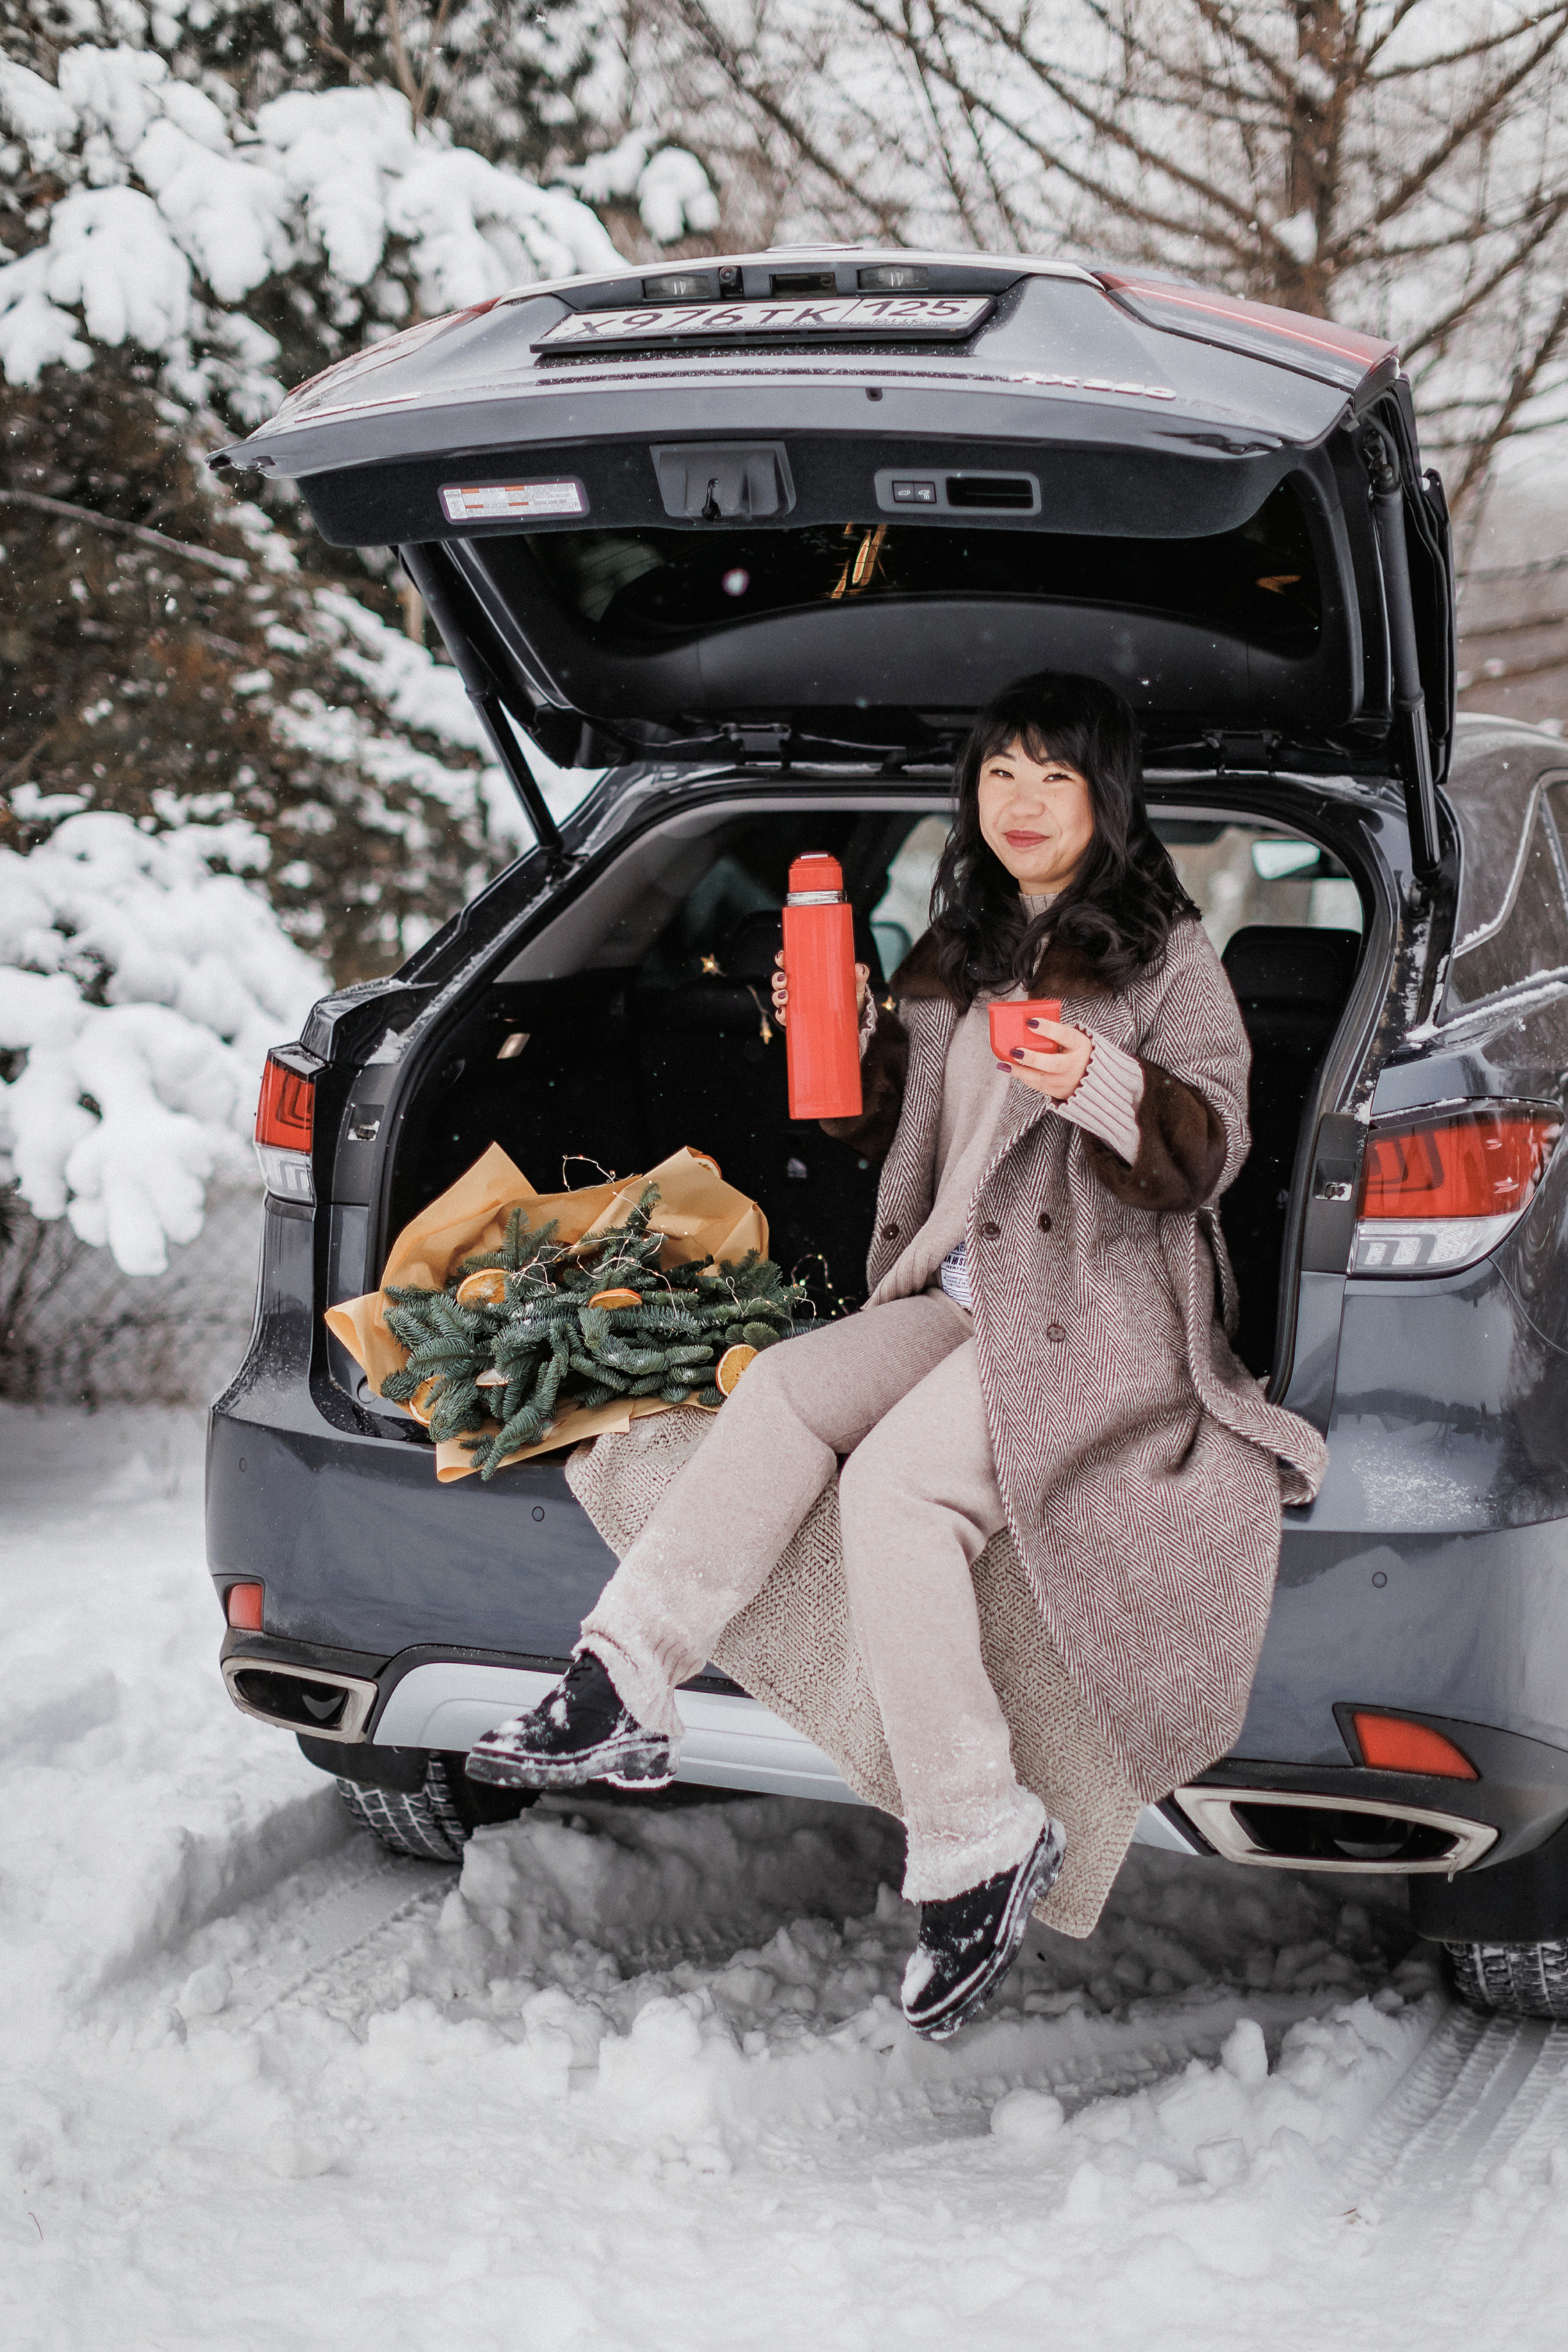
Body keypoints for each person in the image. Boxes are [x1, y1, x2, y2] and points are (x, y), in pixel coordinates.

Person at [466, 671, 1326, 2040]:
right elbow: (902, 1141)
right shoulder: (957, 948)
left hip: (1091, 1317)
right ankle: (618, 1681)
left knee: (893, 1492)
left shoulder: (1168, 961)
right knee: (793, 1387)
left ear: (1106, 798)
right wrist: (850, 1034)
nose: (1022, 804)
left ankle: (977, 1834)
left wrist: (1098, 1085)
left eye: (1053, 777)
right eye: (999, 776)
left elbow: (1206, 1151)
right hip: (959, 1290)